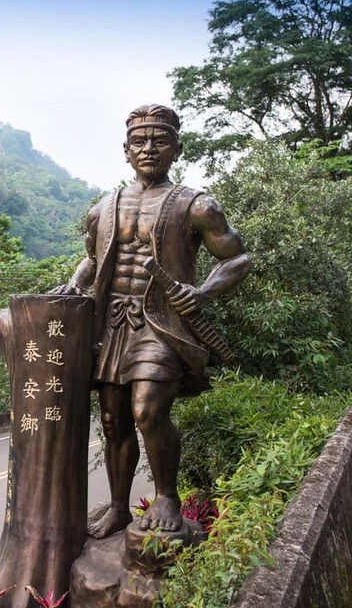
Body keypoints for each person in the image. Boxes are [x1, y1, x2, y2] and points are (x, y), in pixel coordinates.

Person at [52, 104, 250, 537]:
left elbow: (237, 258)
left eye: (159, 141)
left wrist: (203, 293)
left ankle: (166, 496)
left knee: (147, 411)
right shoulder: (103, 208)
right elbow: (92, 260)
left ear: (177, 148)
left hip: (160, 324)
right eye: (139, 141)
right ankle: (120, 506)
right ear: (126, 151)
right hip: (111, 324)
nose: (148, 149)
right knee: (112, 419)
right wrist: (73, 286)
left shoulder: (196, 205)